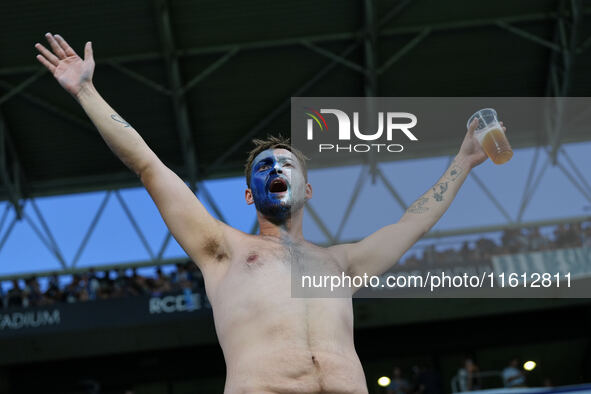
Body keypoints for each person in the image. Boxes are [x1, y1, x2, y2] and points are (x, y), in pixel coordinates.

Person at [35, 33, 506, 394]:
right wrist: (86, 92)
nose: (276, 168)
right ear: (248, 196)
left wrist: (463, 160)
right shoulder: (223, 250)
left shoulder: (340, 265)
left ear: (308, 188)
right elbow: (148, 166)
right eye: (264, 166)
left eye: (286, 165)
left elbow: (413, 222)